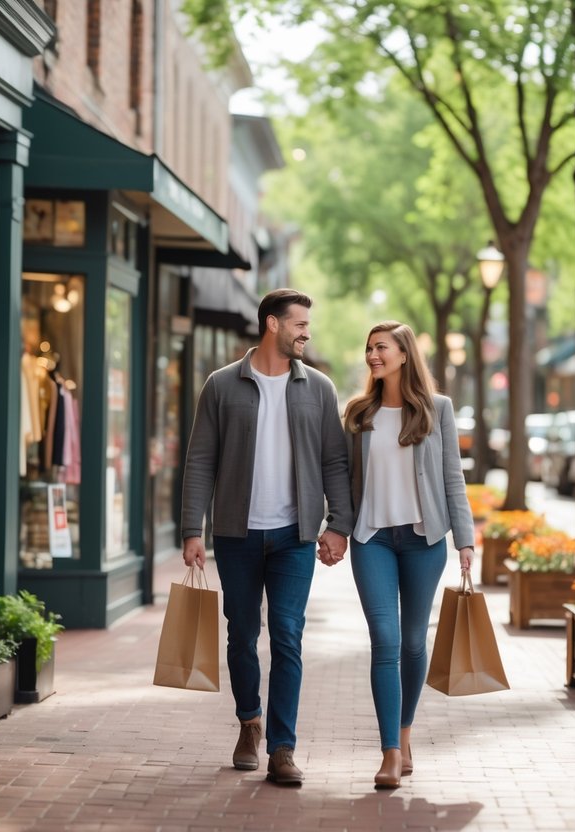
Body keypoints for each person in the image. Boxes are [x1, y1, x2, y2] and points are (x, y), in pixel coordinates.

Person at [180, 288, 353, 786]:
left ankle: (282, 747)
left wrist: (337, 522)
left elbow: (334, 462)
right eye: (299, 324)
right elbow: (200, 462)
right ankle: (248, 722)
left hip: (294, 535)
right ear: (272, 324)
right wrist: (194, 528)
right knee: (240, 635)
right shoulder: (221, 385)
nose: (306, 333)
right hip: (236, 533)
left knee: (288, 636)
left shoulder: (318, 388)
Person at [343, 321, 475, 789]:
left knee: (414, 642)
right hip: (372, 539)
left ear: (403, 354)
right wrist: (335, 528)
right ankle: (390, 754)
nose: (372, 355)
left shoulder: (437, 409)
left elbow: (452, 478)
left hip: (424, 541)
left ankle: (405, 730)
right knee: (385, 639)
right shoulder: (359, 413)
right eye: (369, 348)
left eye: (381, 347)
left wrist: (465, 540)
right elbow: (343, 481)